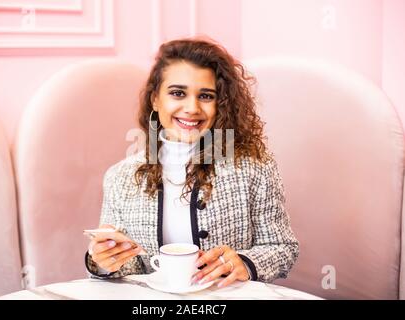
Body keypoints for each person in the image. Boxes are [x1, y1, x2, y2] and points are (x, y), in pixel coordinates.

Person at [85, 37, 299, 288]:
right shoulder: (120, 177)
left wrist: (245, 262)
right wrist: (103, 260)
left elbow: (283, 249)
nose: (192, 108)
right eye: (177, 93)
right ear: (155, 99)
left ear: (220, 104)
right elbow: (131, 266)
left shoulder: (254, 167)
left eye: (206, 96)